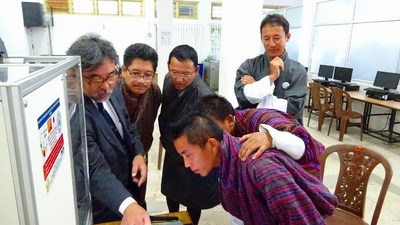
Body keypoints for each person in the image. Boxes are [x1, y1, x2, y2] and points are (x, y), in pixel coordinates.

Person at [171, 114, 338, 225]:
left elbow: (302, 220)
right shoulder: (228, 158)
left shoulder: (261, 168)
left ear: (212, 145)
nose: (186, 164)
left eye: (188, 155)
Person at [66, 33, 150, 225]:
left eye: (111, 76)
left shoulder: (113, 90)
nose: (106, 86)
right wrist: (127, 204)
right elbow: (94, 169)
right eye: (95, 79)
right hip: (106, 204)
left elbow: (128, 126)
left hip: (130, 186)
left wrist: (139, 154)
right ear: (74, 76)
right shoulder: (77, 114)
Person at [158, 44, 218, 224]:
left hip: (192, 153)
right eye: (175, 72)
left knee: (194, 196)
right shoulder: (168, 80)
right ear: (168, 66)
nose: (179, 79)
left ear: (197, 70)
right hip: (171, 145)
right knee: (171, 190)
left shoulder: (204, 96)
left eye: (186, 74)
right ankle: (173, 219)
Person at [192, 95, 323, 178]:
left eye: (212, 129)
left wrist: (271, 138)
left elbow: (304, 146)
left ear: (230, 120)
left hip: (307, 168)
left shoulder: (259, 119)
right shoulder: (225, 139)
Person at [234, 13, 308, 124]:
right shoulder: (249, 65)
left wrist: (256, 87)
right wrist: (271, 78)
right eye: (266, 38)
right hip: (250, 127)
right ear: (261, 39)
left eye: (277, 38)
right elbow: (242, 99)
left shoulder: (298, 71)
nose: (271, 44)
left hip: (285, 132)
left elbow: (290, 109)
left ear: (287, 37)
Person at [118, 43, 162, 209]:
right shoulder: (112, 93)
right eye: (135, 73)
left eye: (147, 75)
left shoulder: (155, 93)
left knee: (138, 196)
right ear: (124, 70)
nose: (141, 81)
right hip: (115, 160)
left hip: (142, 154)